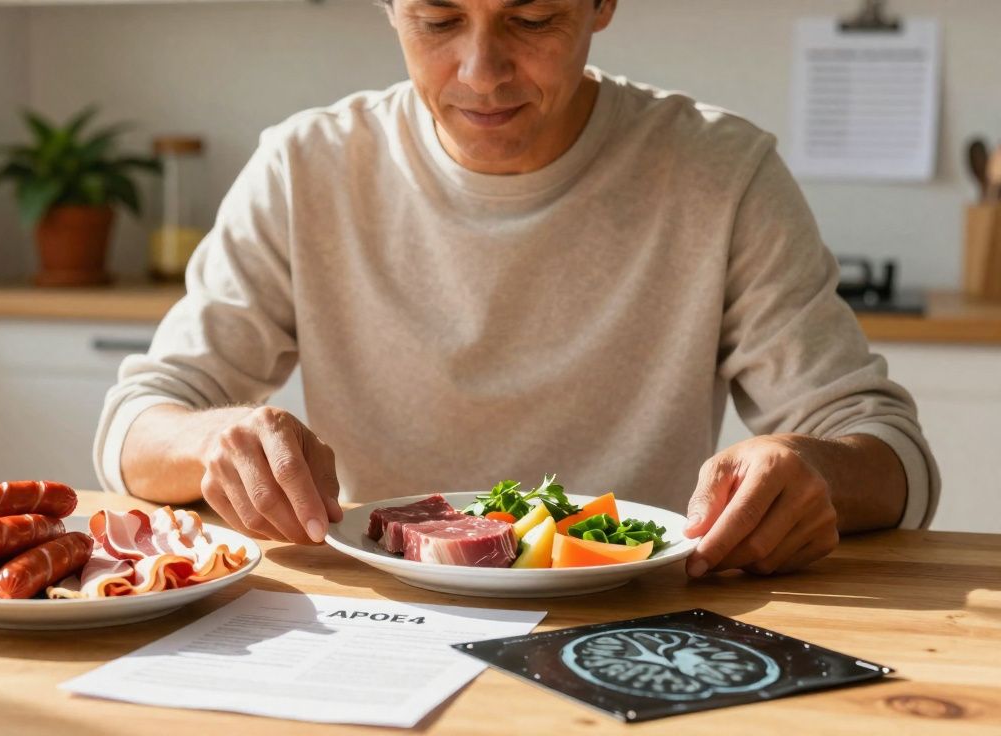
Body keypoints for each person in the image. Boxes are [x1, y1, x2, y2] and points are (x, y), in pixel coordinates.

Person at [92, 0, 938, 578]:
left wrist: (811, 470)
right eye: (437, 18)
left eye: (532, 17)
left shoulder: (721, 175)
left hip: (635, 621)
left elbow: (893, 455)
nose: (481, 70)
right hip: (382, 618)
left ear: (602, 3)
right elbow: (136, 424)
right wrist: (218, 441)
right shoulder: (305, 168)